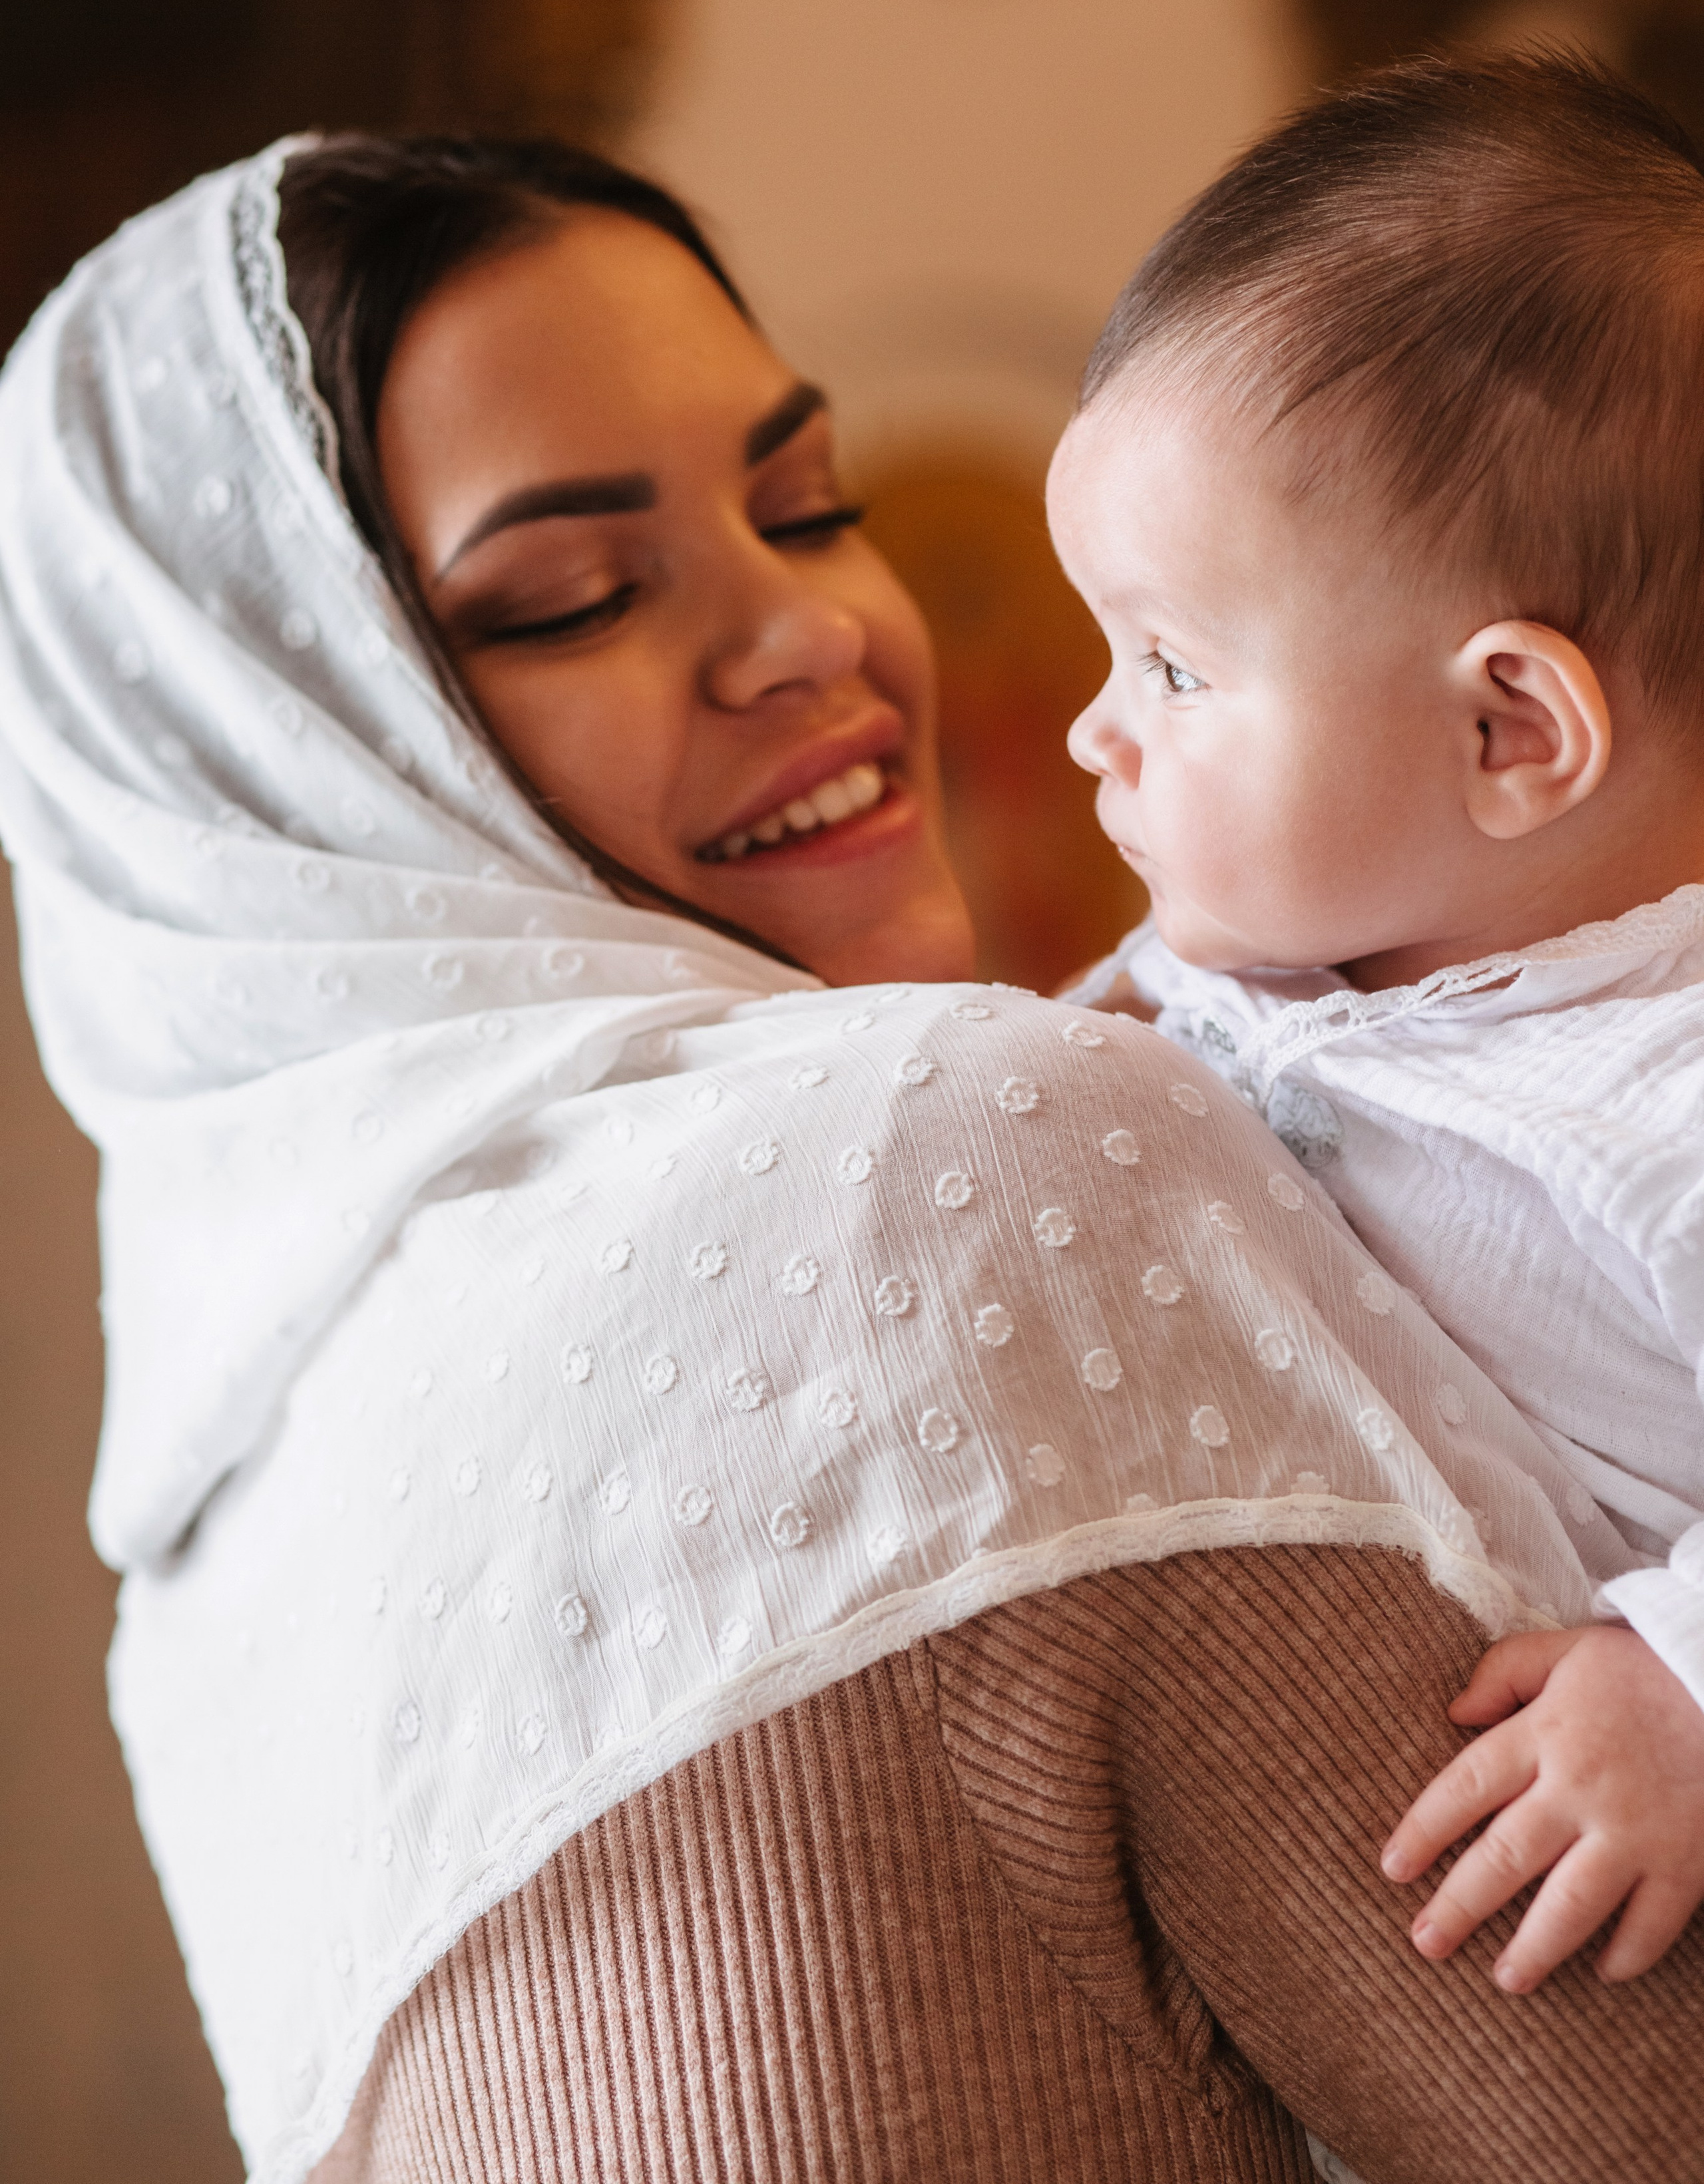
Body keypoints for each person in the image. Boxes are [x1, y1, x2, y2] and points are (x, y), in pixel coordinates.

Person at [0, 132, 1697, 2184]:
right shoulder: (961, 1151)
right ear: (293, 772)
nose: (810, 633)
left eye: (811, 505)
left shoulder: (210, 1570)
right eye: (574, 599)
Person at [1051, 51, 1704, 2006]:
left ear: (1509, 734)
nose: (1100, 727)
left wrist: (1684, 1687)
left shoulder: (1663, 1099)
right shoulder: (1291, 946)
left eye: (1171, 661)